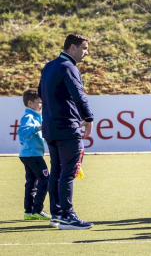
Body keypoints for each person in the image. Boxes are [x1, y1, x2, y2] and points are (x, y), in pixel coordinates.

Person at [38, 33, 94, 230]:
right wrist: (88, 118)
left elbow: (40, 94)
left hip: (50, 128)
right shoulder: (69, 67)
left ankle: (56, 214)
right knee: (69, 172)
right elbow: (79, 95)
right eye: (84, 48)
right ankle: (67, 216)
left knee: (57, 171)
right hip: (67, 128)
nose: (86, 53)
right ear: (72, 47)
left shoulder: (49, 66)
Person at [17, 88, 51, 221]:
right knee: (45, 179)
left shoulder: (36, 116)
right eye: (39, 102)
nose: (41, 104)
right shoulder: (29, 116)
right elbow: (22, 131)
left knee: (32, 182)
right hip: (32, 155)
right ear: (30, 103)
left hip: (29, 154)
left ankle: (29, 211)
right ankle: (38, 210)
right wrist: (38, 128)